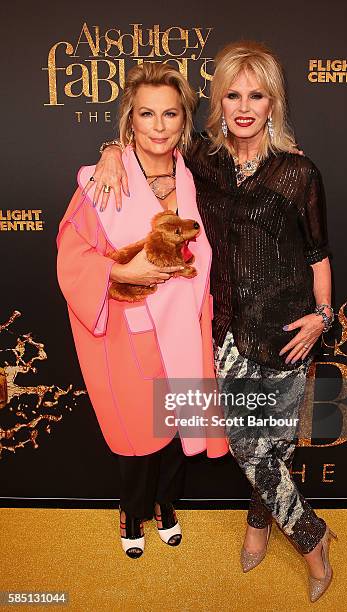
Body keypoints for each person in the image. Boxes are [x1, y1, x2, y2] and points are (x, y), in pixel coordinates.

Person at [91, 41, 336, 602]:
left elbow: (319, 255)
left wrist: (322, 317)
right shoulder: (202, 161)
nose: (244, 106)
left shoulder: (300, 173)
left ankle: (257, 524)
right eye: (233, 94)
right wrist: (112, 147)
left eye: (257, 94)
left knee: (275, 447)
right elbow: (153, 142)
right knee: (251, 449)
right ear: (218, 103)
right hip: (224, 333)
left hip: (291, 332)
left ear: (274, 103)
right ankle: (313, 538)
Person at [56, 62, 228, 560]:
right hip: (126, 331)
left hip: (186, 329)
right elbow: (71, 254)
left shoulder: (198, 178)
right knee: (138, 435)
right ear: (130, 119)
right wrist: (116, 275)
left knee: (177, 432)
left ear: (184, 121)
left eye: (169, 114)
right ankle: (132, 510)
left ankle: (166, 505)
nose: (158, 125)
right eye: (146, 114)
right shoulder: (102, 181)